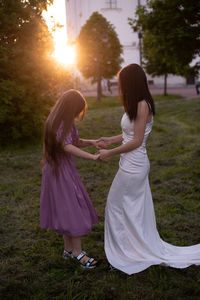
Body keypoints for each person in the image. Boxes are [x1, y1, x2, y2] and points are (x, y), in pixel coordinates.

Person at [97, 64, 200, 275]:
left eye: (123, 83)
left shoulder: (143, 105)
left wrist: (110, 152)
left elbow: (136, 141)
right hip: (129, 163)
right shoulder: (135, 103)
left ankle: (126, 252)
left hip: (135, 165)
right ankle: (130, 248)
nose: (120, 87)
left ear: (131, 82)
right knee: (128, 208)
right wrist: (109, 140)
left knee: (115, 205)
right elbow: (129, 134)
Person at [40, 89, 100, 269]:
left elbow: (75, 141)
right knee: (74, 209)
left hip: (61, 171)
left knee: (66, 209)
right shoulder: (58, 123)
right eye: (76, 111)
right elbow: (67, 147)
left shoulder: (63, 121)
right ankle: (77, 252)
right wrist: (92, 157)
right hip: (60, 173)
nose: (77, 115)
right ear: (70, 109)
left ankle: (68, 249)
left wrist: (92, 142)